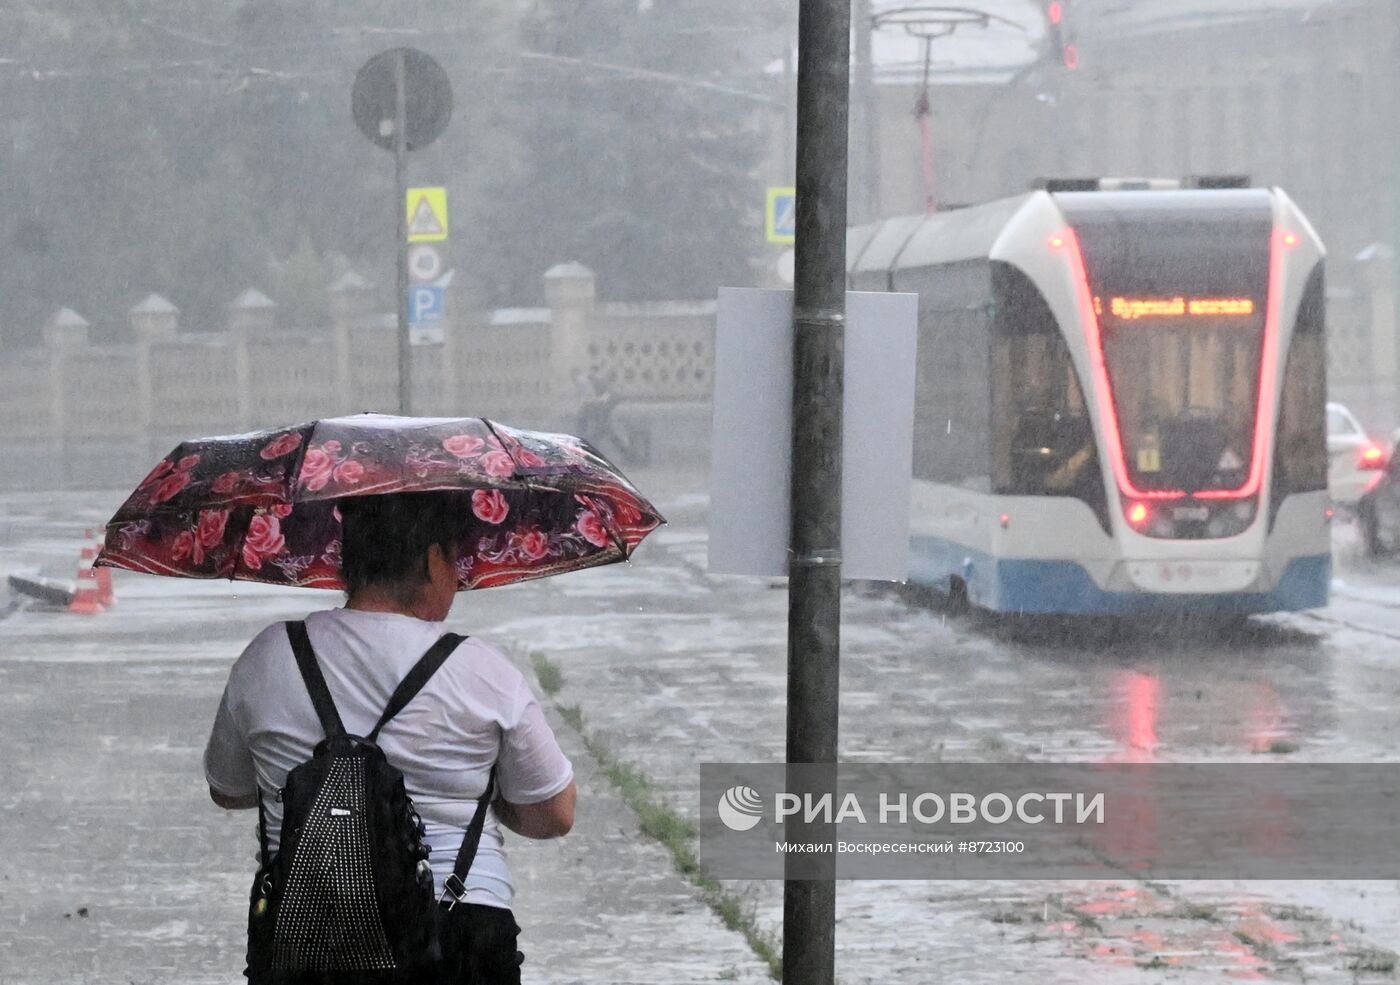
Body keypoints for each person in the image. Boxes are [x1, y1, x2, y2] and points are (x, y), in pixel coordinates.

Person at [203, 491, 577, 984]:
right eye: (456, 559)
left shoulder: (268, 655)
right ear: (433, 558)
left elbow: (228, 790)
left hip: (304, 933)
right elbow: (552, 814)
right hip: (458, 928)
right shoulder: (482, 670)